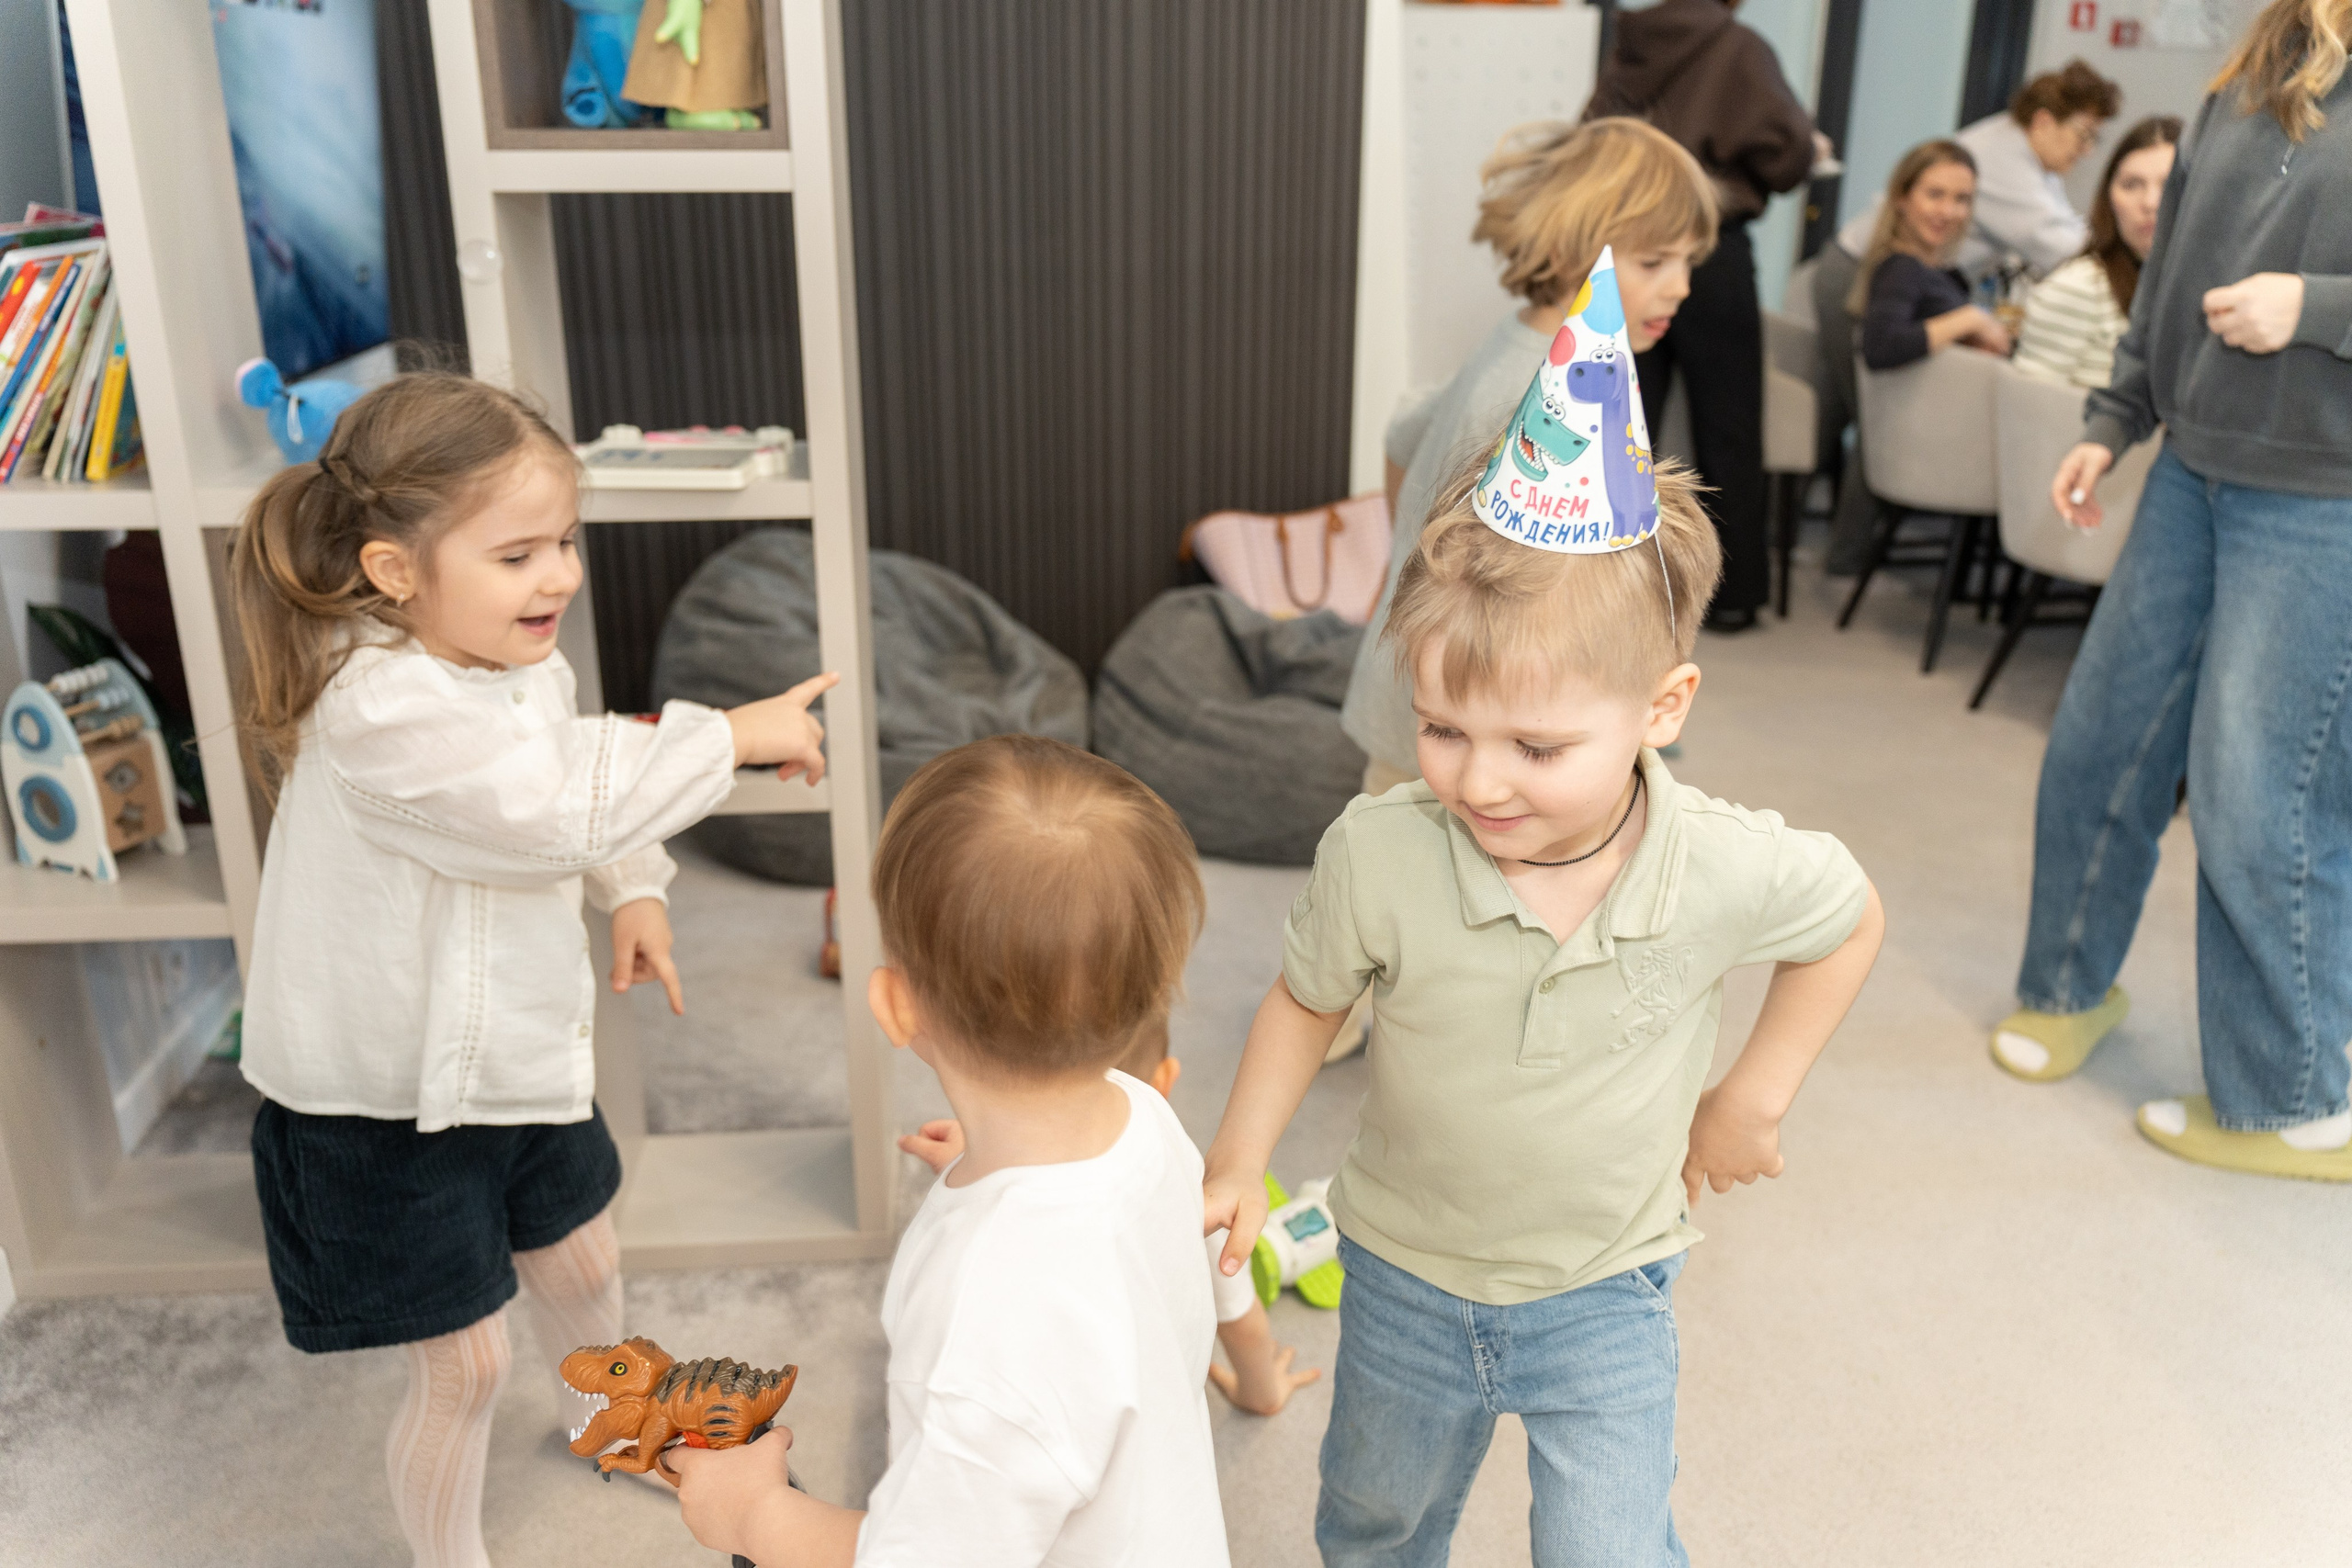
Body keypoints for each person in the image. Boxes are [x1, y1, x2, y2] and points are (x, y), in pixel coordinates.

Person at [1204, 440, 1885, 1563]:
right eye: (1441, 729)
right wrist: (1237, 1159)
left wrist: (1753, 1098)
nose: (1477, 781)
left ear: (1662, 707)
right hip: (1404, 1274)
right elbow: (1303, 1001)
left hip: (1604, 1288)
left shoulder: (1718, 862)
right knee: (1374, 1524)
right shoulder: (1378, 851)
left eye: (1535, 745)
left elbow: (1849, 916)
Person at [229, 373, 837, 1568]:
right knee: (465, 1364)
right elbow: (544, 803)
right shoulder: (375, 707)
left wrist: (636, 885)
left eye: (565, 542)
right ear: (395, 570)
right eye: (517, 555)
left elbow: (573, 771)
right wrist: (730, 736)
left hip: (515, 1060)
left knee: (585, 1254)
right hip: (387, 1105)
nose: (558, 577)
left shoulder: (516, 664)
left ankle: (611, 1422)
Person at [664, 736, 1231, 1564]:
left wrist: (754, 1513)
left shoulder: (986, 1313)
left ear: (895, 1006)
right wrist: (988, 1159)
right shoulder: (1145, 1115)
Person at [2005, 0, 2352, 1181]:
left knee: (2264, 798)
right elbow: (2167, 282)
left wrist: (2314, 307)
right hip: (2191, 472)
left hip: (2326, 499)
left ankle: (2297, 1101)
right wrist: (2112, 419)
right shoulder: (2245, 82)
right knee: (2100, 741)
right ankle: (2066, 987)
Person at [1343, 118, 1717, 799]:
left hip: (1430, 691)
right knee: (1413, 852)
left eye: (1689, 261)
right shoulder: (1539, 394)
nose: (1682, 286)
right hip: (1458, 715)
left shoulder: (1518, 340)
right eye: (1655, 263)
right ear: (1575, 253)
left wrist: (1401, 556)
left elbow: (1402, 433)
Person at [899, 1014, 1324, 1417]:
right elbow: (1241, 1323)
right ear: (1164, 1079)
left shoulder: (1012, 1199)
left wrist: (978, 1157)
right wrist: (1261, 1391)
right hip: (1147, 1418)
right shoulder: (1194, 1193)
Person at [1587, 0, 1830, 631]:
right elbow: (1789, 156)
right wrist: (1798, 150)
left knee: (1619, 421)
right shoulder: (1739, 46)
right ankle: (1731, 594)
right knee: (1729, 422)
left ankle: (1608, 584)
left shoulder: (1634, 39)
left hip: (1630, 245)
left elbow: (1594, 138)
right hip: (1708, 246)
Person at [2013, 115, 2183, 389]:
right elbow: (2027, 409)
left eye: (2169, 185)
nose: (2150, 202)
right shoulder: (2076, 289)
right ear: (2109, 198)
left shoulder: (2210, 293)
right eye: (2132, 184)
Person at [1854, 140, 2015, 370]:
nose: (1947, 212)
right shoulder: (1901, 269)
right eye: (1935, 194)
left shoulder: (1937, 270)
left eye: (1961, 199)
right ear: (1902, 198)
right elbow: (1880, 347)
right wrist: (1971, 320)